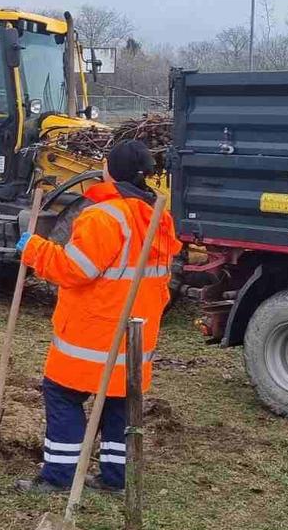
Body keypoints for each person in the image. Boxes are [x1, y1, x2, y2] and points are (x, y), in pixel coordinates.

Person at [15, 139, 181, 492]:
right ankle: (115, 479)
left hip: (92, 336)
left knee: (62, 395)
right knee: (119, 401)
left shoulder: (104, 216)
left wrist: (34, 249)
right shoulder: (158, 217)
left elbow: (74, 269)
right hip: (136, 336)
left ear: (108, 169)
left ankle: (58, 476)